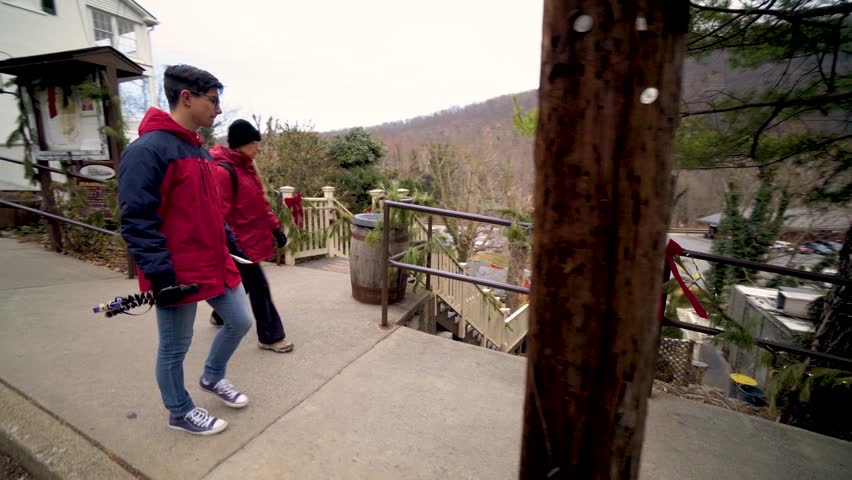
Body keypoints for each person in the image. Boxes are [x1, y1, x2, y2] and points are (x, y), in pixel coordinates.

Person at [118, 65, 253, 436]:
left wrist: (230, 241)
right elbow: (137, 218)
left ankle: (212, 377)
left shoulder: (199, 151)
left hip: (214, 261)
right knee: (175, 347)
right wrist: (160, 274)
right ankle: (179, 411)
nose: (218, 110)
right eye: (213, 101)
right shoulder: (147, 150)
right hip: (176, 270)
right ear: (186, 97)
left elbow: (210, 209)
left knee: (240, 321)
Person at [208, 120, 294, 354]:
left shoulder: (247, 168)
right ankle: (270, 336)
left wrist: (275, 228)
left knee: (244, 283)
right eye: (255, 143)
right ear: (241, 144)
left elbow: (259, 205)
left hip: (251, 238)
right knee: (260, 288)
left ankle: (219, 314)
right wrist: (233, 247)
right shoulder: (224, 172)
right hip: (238, 243)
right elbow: (220, 215)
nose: (258, 147)